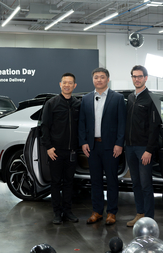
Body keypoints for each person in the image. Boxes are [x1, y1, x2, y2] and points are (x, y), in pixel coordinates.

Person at [79, 67, 126, 225]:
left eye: (102, 77)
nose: (99, 80)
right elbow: (82, 123)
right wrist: (84, 142)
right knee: (95, 181)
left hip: (111, 147)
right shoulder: (85, 99)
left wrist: (119, 143)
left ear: (108, 79)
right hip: (92, 147)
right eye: (96, 77)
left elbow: (122, 124)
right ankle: (97, 211)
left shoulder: (117, 98)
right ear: (93, 80)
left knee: (112, 181)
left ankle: (111, 213)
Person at [40, 72, 81, 225]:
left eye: (70, 83)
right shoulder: (52, 103)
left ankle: (68, 211)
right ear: (60, 84)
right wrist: (49, 147)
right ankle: (57, 213)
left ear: (74, 86)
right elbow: (44, 127)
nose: (67, 85)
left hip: (71, 151)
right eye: (64, 82)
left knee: (70, 182)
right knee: (56, 183)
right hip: (55, 152)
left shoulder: (78, 104)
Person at [125, 65, 161, 227]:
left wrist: (148, 150)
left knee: (146, 184)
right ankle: (140, 214)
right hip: (130, 148)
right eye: (134, 76)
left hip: (143, 149)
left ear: (146, 78)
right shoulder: (131, 98)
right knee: (136, 183)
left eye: (140, 76)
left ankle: (149, 218)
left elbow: (155, 127)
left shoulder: (151, 98)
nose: (136, 79)